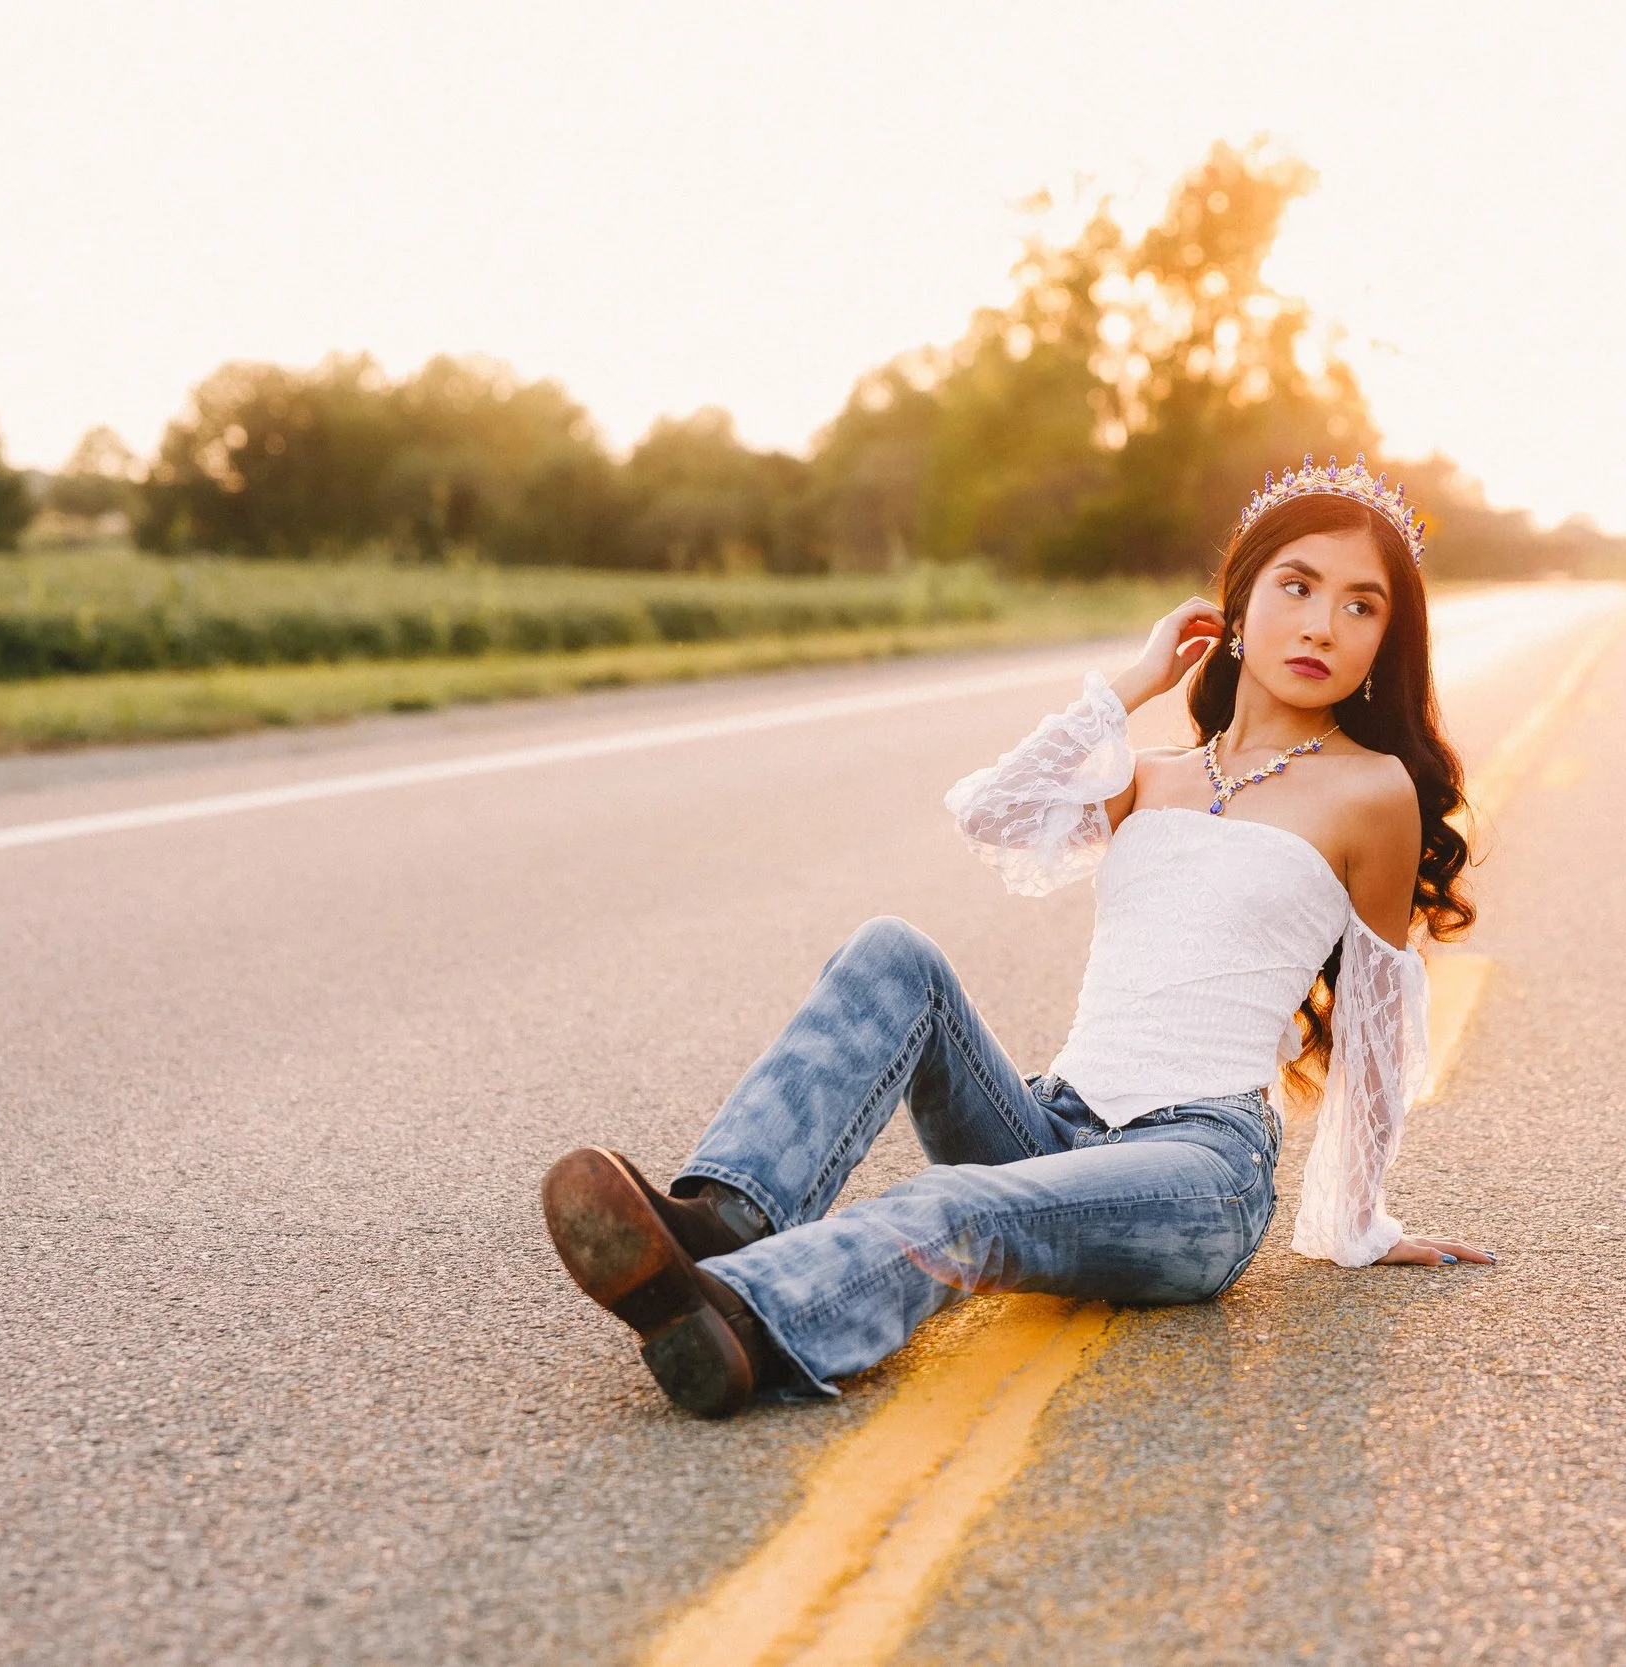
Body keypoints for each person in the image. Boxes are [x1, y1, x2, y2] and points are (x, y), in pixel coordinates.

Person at [540, 457, 1496, 1418]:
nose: (1324, 624)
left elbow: (1375, 1020)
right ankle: (724, 1225)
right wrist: (1131, 684)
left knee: (963, 1211)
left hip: (1199, 1170)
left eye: (1362, 607)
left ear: (1384, 641)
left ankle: (748, 1324)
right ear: (1237, 607)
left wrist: (1358, 1221)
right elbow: (995, 811)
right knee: (891, 951)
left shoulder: (1373, 794)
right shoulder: (1149, 774)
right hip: (1054, 1124)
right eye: (1297, 586)